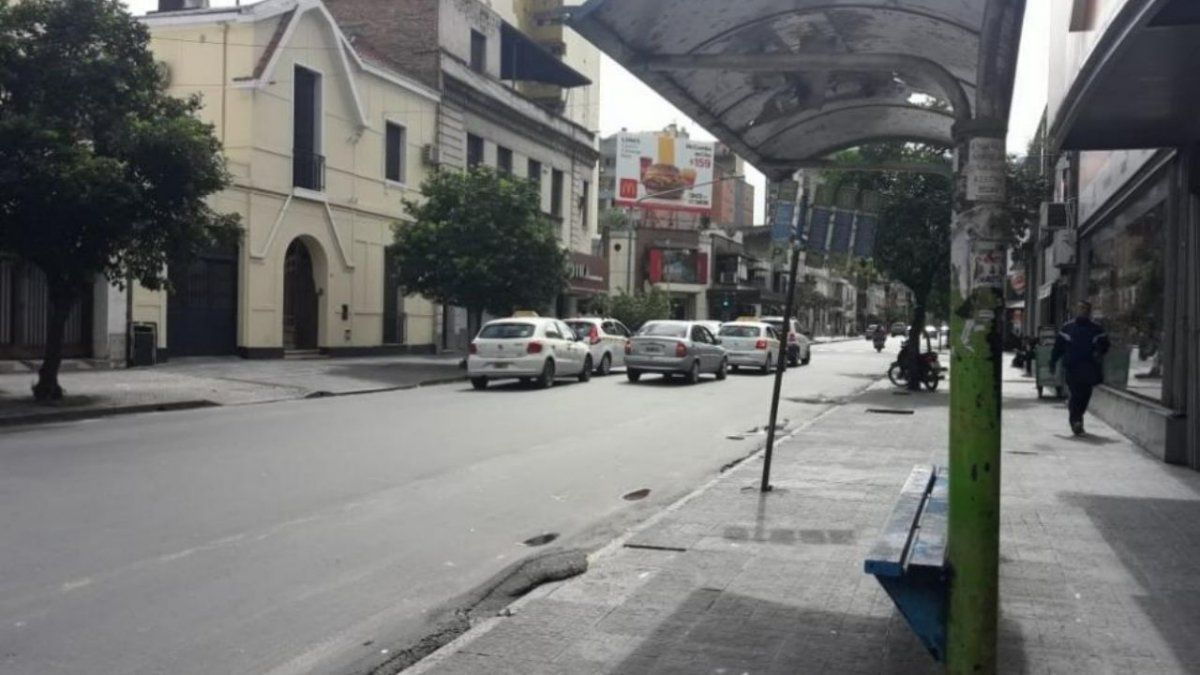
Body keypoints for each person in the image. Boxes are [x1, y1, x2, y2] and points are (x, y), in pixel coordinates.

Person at [1050, 301, 1110, 435]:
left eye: (1085, 309)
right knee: (1076, 394)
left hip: (1089, 367)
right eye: (1080, 308)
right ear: (1076, 310)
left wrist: (1099, 351)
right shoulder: (1067, 328)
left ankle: (1078, 418)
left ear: (1089, 311)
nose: (1083, 311)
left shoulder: (1096, 329)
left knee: (1085, 395)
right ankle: (1076, 421)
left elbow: (1105, 345)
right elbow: (1058, 347)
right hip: (1072, 367)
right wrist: (1052, 362)